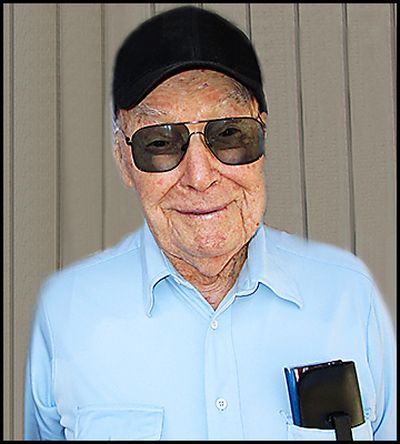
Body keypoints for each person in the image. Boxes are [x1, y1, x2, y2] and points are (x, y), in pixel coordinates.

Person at [24, 6, 395, 440]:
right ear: (123, 159)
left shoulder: (349, 298)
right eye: (160, 142)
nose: (200, 177)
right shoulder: (63, 314)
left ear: (262, 135)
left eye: (229, 134)